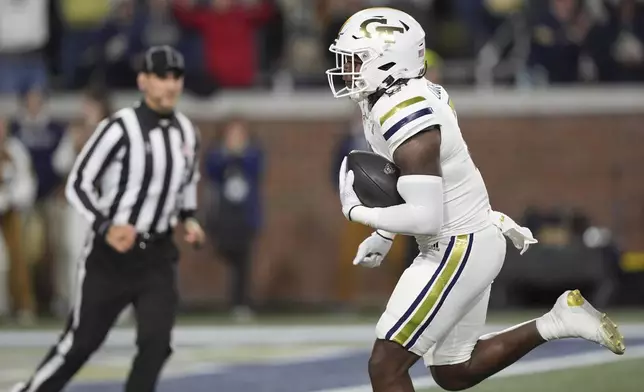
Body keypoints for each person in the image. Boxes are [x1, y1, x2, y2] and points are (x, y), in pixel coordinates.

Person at [327, 8, 625, 392]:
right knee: (454, 371)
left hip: (456, 246)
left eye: (356, 60)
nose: (347, 69)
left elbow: (426, 217)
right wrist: (384, 236)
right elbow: (402, 181)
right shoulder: (392, 99)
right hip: (467, 239)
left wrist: (358, 211)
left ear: (387, 62)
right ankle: (558, 322)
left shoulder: (406, 115)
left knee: (386, 366)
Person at [11, 45, 205, 392]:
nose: (171, 84)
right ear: (143, 81)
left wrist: (188, 219)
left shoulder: (187, 132)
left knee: (156, 343)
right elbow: (78, 184)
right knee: (81, 343)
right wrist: (105, 226)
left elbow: (187, 182)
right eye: (162, 76)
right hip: (110, 256)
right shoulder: (118, 128)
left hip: (158, 255)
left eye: (176, 77)